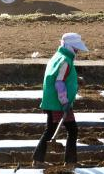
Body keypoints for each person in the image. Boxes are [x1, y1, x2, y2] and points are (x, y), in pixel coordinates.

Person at [33, 32, 87, 166]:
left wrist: (76, 80)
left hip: (51, 101)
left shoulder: (58, 56)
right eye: (76, 48)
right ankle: (70, 162)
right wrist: (65, 102)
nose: (77, 51)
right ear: (70, 47)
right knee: (72, 130)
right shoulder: (65, 61)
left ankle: (38, 160)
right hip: (59, 102)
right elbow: (59, 83)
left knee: (50, 130)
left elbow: (59, 76)